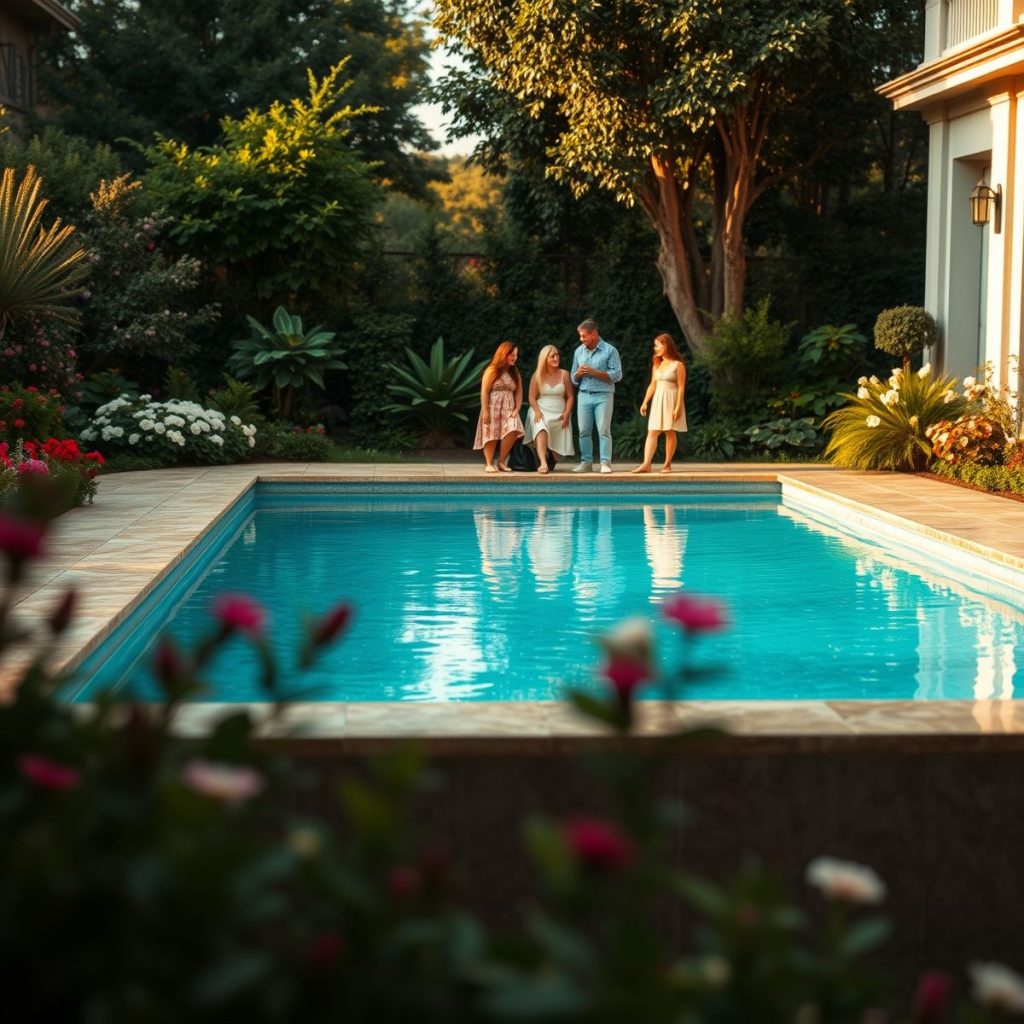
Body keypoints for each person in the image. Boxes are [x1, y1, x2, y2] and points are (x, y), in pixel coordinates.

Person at [570, 319, 622, 474]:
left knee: (603, 430)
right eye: (580, 336)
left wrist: (595, 373)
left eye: (583, 336)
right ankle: (586, 462)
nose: (581, 339)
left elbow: (617, 375)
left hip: (603, 396)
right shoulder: (578, 351)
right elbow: (573, 378)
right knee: (583, 431)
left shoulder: (610, 350)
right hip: (584, 396)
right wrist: (578, 374)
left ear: (593, 334)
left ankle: (605, 463)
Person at [631, 333, 687, 473]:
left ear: (665, 345)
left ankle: (667, 464)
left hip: (672, 398)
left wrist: (678, 407)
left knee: (670, 431)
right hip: (658, 399)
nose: (655, 348)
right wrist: (645, 402)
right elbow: (652, 384)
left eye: (657, 345)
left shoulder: (678, 365)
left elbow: (681, 386)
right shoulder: (657, 364)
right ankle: (646, 464)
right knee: (652, 431)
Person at [474, 341, 525, 473]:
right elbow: (484, 391)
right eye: (512, 355)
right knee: (491, 433)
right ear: (504, 354)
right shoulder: (492, 370)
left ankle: (501, 461)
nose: (515, 358)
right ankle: (489, 463)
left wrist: (517, 409)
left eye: (516, 355)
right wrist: (485, 411)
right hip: (492, 406)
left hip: (509, 407)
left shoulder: (514, 371)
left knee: (514, 430)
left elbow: (519, 392)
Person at [524, 345, 575, 474]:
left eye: (557, 355)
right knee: (541, 426)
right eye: (553, 356)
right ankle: (543, 462)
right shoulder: (537, 375)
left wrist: (567, 413)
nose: (556, 358)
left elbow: (570, 397)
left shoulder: (564, 374)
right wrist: (537, 411)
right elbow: (531, 397)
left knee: (556, 456)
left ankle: (550, 454)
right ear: (544, 358)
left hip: (559, 411)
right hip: (541, 409)